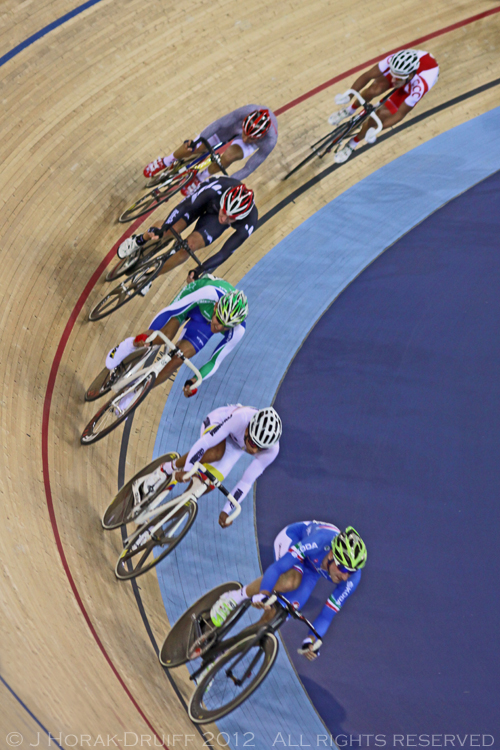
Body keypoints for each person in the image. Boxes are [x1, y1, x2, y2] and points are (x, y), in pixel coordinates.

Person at [210, 521, 367, 659]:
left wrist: (311, 640)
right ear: (332, 555)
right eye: (342, 569)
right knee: (291, 581)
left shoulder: (352, 579)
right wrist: (264, 593)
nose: (345, 577)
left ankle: (220, 655)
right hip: (294, 538)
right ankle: (235, 597)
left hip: (312, 569)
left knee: (270, 622)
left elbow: (327, 615)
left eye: (351, 572)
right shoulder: (319, 540)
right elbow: (278, 568)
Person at [105, 277, 248, 411]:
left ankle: (136, 391)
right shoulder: (209, 293)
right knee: (163, 335)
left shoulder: (238, 330)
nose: (218, 328)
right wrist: (150, 334)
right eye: (219, 320)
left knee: (178, 359)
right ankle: (127, 346)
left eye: (225, 327)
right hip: (193, 301)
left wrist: (195, 381)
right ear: (216, 307)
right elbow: (170, 311)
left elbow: (215, 362)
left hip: (202, 325)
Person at [134, 404, 282, 528]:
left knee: (196, 492)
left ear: (266, 447)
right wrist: (187, 469)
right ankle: (165, 469)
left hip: (235, 448)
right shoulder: (241, 418)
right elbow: (206, 443)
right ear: (249, 427)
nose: (252, 449)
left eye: (257, 448)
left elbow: (246, 482)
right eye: (250, 441)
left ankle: (154, 525)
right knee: (216, 453)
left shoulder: (271, 452)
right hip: (220, 423)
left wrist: (226, 511)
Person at [117, 178, 257, 293]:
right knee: (169, 230)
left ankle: (151, 276)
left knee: (189, 247)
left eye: (230, 219)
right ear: (224, 201)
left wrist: (199, 270)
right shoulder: (216, 189)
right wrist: (165, 226)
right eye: (224, 212)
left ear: (240, 217)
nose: (224, 218)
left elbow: (224, 253)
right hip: (203, 202)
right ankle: (138, 241)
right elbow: (185, 206)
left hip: (212, 222)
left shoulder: (249, 221)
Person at [328, 48, 439, 163]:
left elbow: (400, 114)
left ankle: (352, 143)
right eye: (393, 75)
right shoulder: (393, 61)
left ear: (409, 76)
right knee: (373, 89)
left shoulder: (418, 88)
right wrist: (349, 96)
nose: (394, 80)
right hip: (404, 73)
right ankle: (349, 110)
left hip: (410, 86)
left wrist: (376, 129)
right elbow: (367, 75)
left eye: (398, 78)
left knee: (379, 117)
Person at [144, 106, 278, 196]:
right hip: (232, 127)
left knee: (229, 156)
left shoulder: (269, 141)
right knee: (195, 148)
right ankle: (166, 161)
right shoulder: (246, 111)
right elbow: (219, 124)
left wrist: (226, 183)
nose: (245, 138)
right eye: (245, 133)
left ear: (261, 137)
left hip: (250, 139)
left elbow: (248, 168)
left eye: (251, 138)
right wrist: (197, 142)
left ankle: (200, 178)